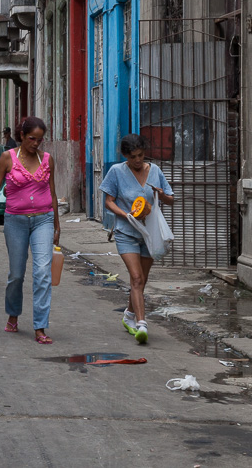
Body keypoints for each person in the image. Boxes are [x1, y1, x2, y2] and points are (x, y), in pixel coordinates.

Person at [0, 118, 60, 343]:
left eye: (40, 139)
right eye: (31, 138)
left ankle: (40, 327)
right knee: (16, 274)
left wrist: (57, 224)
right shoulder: (8, 158)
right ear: (22, 136)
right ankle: (13, 313)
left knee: (43, 273)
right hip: (15, 221)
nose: (36, 143)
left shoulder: (47, 160)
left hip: (43, 220)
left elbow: (53, 193)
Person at [100, 133, 174, 345]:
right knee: (136, 278)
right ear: (125, 156)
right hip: (126, 232)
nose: (138, 160)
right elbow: (109, 201)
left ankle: (129, 315)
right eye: (133, 157)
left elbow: (171, 200)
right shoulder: (116, 172)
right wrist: (125, 215)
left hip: (149, 234)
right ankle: (142, 324)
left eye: (141, 155)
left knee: (142, 279)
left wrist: (161, 194)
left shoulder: (156, 171)